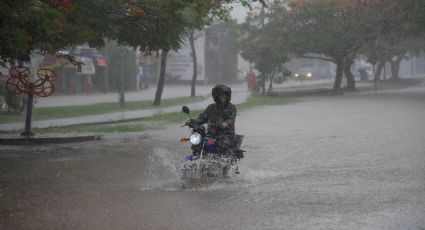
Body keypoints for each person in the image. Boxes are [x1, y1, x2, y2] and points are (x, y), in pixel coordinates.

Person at [186, 84, 237, 154]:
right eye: (220, 95)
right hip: (211, 135)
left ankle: (222, 161)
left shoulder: (231, 108)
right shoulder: (211, 108)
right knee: (198, 135)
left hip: (226, 135)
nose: (222, 96)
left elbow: (230, 119)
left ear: (227, 95)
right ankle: (196, 155)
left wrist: (226, 123)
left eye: (224, 94)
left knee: (222, 143)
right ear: (216, 96)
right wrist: (192, 121)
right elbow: (201, 118)